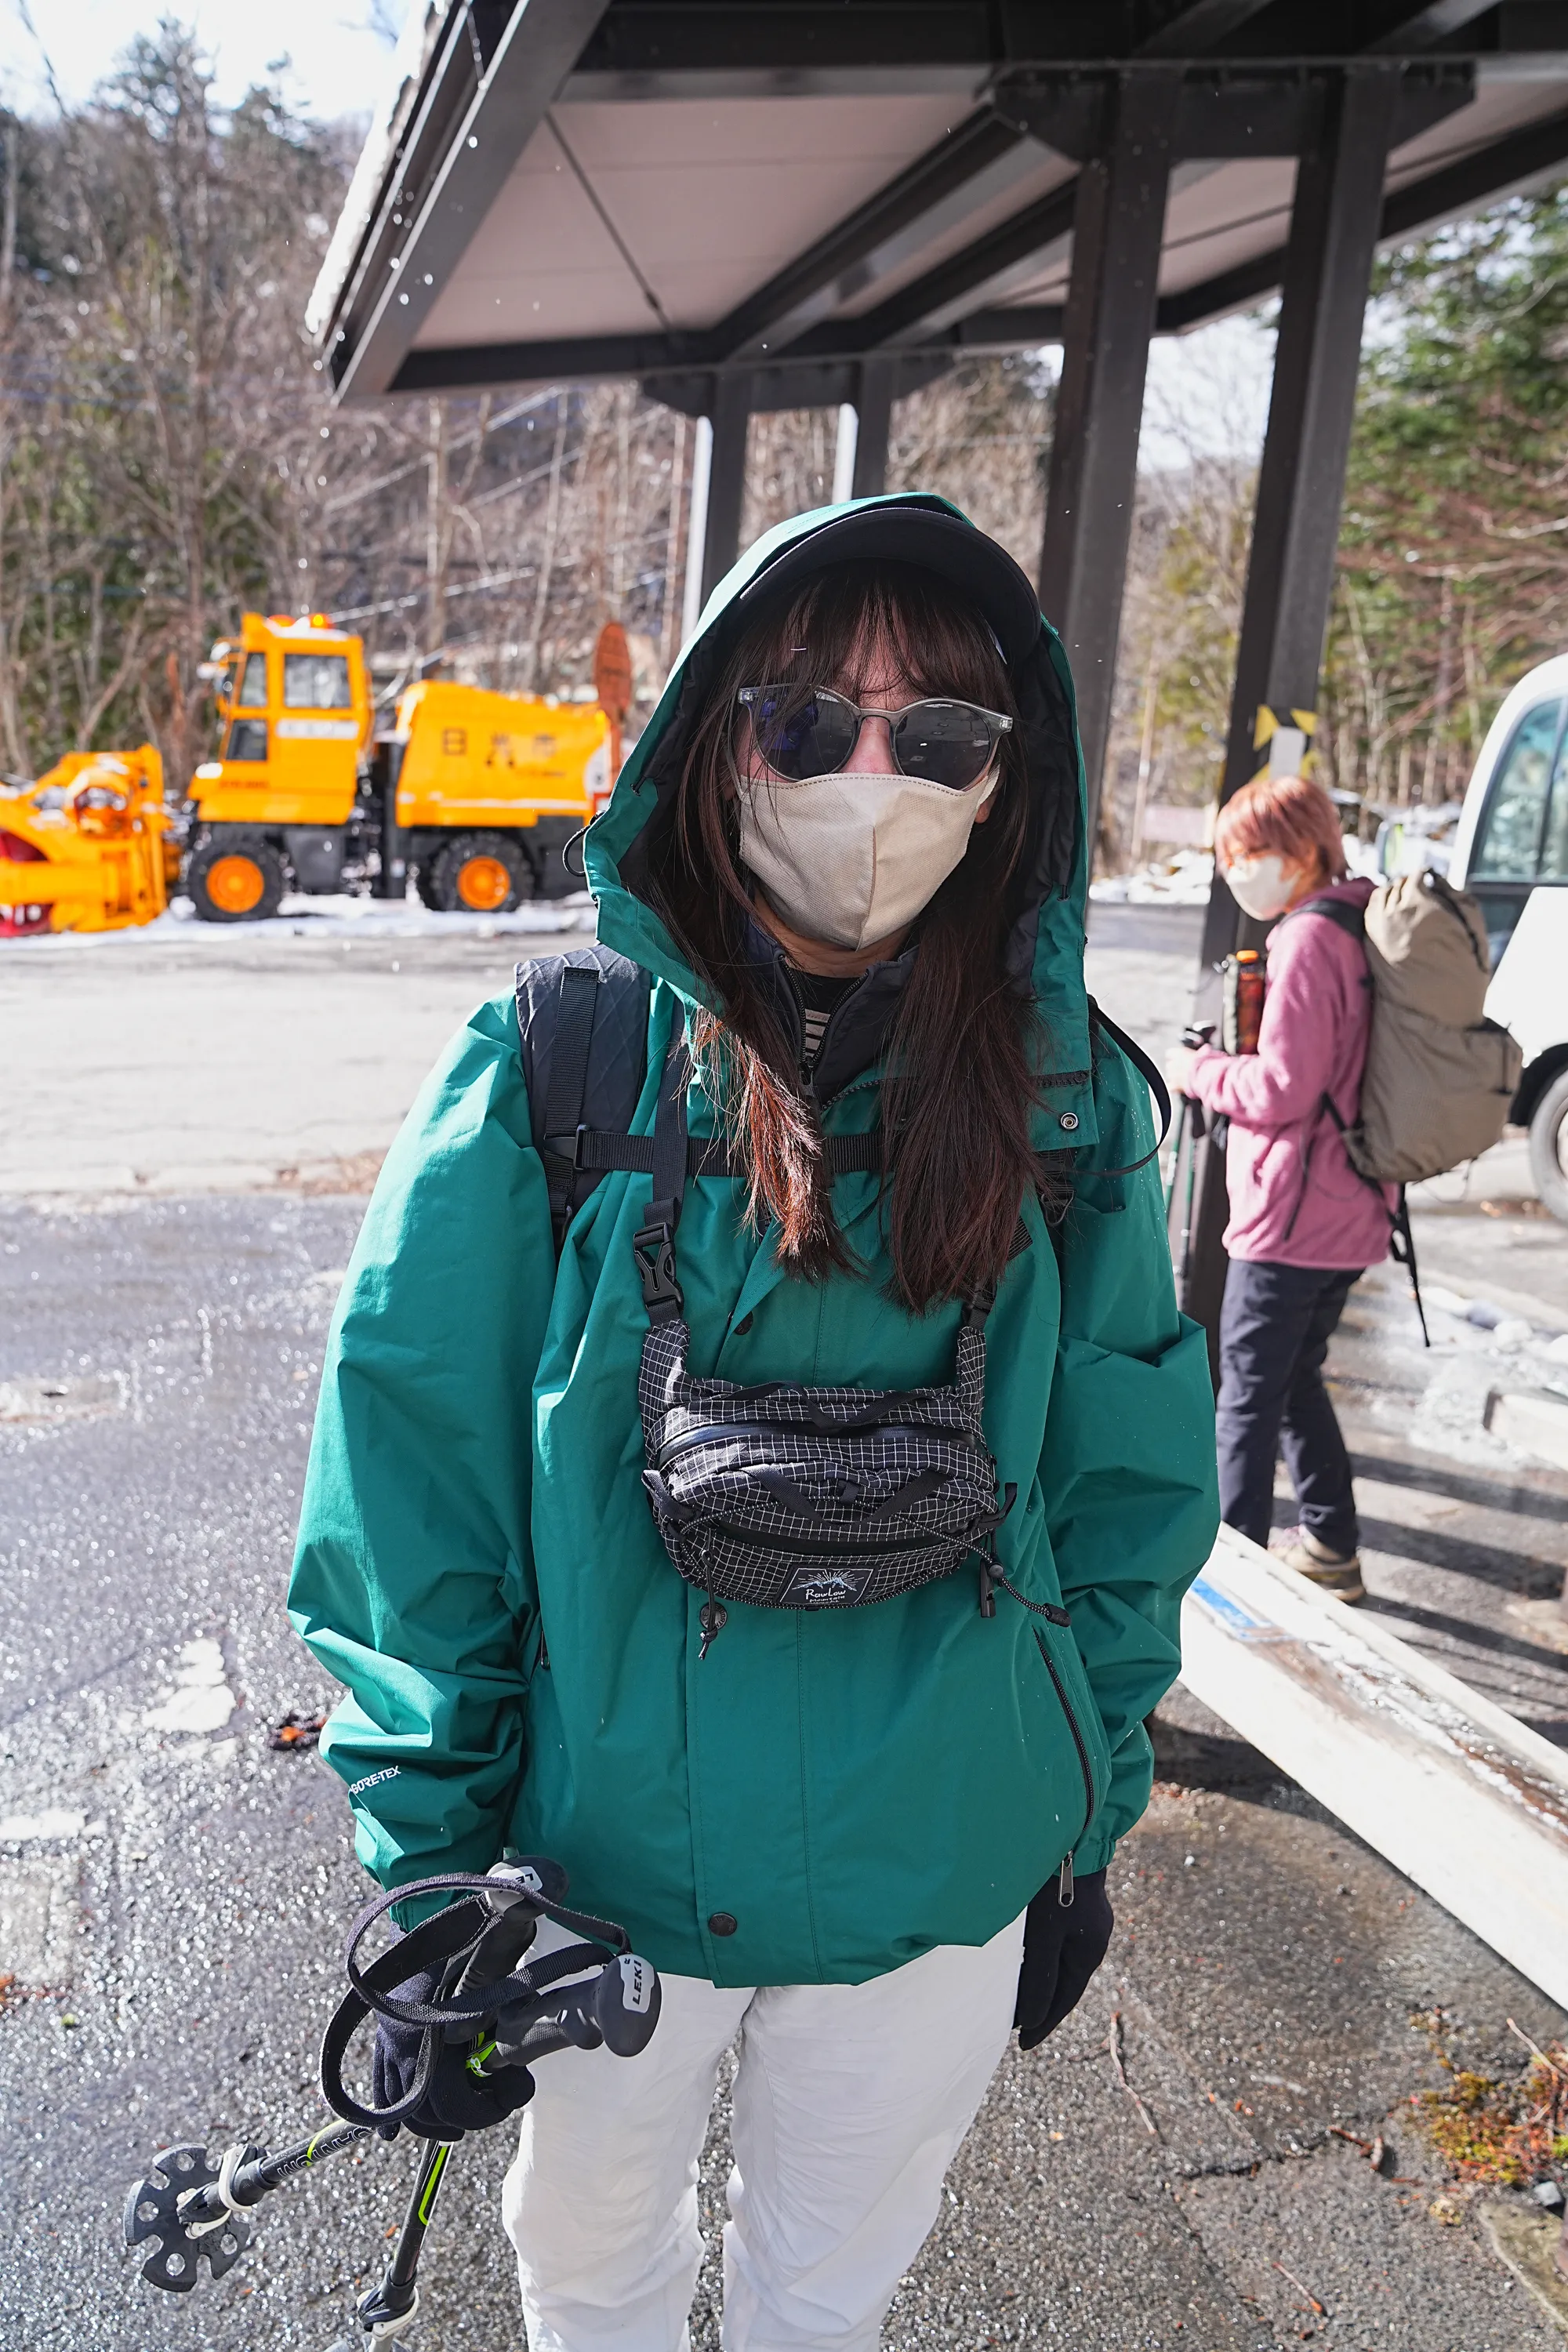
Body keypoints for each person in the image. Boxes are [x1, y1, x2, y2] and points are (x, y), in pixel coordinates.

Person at [289, 495, 1218, 2352]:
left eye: (935, 739)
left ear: (995, 784)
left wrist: (1084, 1818)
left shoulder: (1071, 1105)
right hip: (600, 1878)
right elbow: (416, 1489)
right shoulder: (553, 1061)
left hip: (941, 1874)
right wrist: (423, 1858)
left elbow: (1126, 1494)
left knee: (824, 2292)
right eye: (808, 722)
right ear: (717, 737)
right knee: (595, 2269)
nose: (868, 779)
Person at [1167, 771, 1396, 1604]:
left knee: (1247, 1398)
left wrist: (1199, 1070)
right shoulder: (1356, 924)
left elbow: (1282, 1090)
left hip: (1292, 1217)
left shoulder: (1305, 939)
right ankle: (1330, 1544)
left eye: (1248, 854)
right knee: (1296, 1377)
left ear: (1299, 850)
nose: (1237, 873)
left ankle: (1228, 1590)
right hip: (1357, 1206)